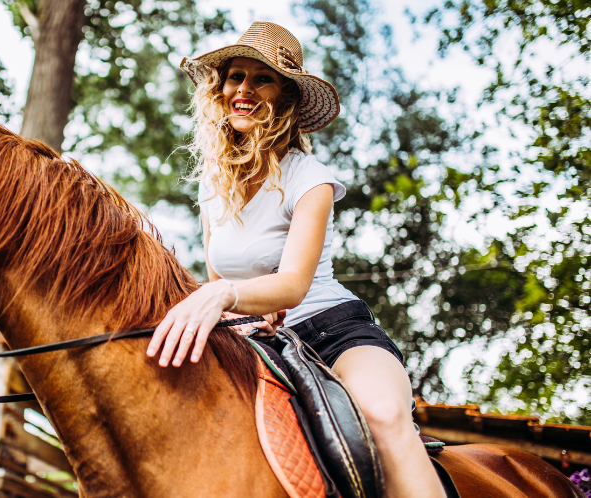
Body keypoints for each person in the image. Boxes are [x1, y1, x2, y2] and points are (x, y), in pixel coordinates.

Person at [146, 22, 446, 498]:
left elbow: (292, 286)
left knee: (385, 418)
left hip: (333, 332)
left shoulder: (312, 178)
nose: (242, 90)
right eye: (234, 77)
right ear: (219, 90)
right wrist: (229, 306)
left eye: (260, 78)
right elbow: (222, 278)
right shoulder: (211, 186)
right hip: (258, 343)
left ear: (286, 97)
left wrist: (223, 295)